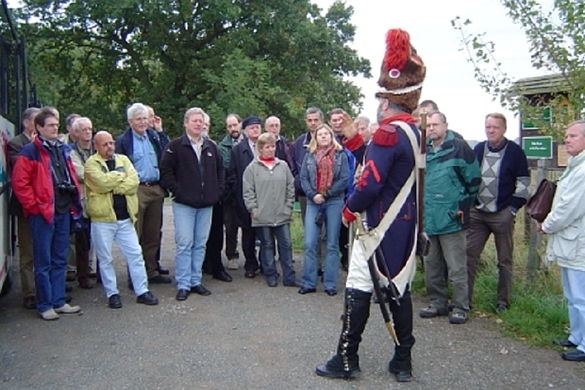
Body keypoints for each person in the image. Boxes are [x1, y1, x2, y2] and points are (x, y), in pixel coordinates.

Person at [316, 28, 425, 382]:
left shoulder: (387, 132)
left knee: (359, 286)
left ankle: (346, 358)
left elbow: (371, 182)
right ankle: (403, 361)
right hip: (405, 225)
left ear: (385, 100)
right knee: (400, 290)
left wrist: (349, 210)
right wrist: (354, 140)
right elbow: (387, 167)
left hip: (377, 226)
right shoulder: (413, 131)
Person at [12, 107, 83, 320]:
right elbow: (20, 184)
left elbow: (69, 174)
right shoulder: (29, 152)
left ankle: (58, 300)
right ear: (39, 127)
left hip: (61, 209)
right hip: (42, 213)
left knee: (59, 257)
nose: (55, 128)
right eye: (50, 125)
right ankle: (45, 305)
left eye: (56, 125)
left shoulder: (61, 149)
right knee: (42, 260)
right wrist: (34, 207)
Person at [84, 131, 159, 308]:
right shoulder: (90, 164)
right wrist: (120, 177)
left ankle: (142, 291)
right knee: (106, 258)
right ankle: (112, 293)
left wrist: (115, 184)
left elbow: (133, 182)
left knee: (135, 254)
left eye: (111, 143)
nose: (110, 147)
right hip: (103, 220)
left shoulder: (123, 160)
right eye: (105, 144)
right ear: (96, 146)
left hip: (125, 219)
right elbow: (100, 183)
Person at [419, 111, 480, 324]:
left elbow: (474, 181)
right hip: (428, 216)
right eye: (430, 125)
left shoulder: (460, 148)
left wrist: (463, 204)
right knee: (431, 263)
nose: (432, 128)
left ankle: (461, 306)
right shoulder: (422, 149)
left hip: (452, 217)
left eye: (436, 124)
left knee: (456, 266)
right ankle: (437, 303)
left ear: (446, 126)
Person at [466, 113, 530, 314]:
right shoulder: (478, 149)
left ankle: (503, 301)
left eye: (495, 127)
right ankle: (464, 300)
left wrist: (512, 209)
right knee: (468, 256)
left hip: (501, 213)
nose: (490, 130)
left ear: (504, 129)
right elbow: (470, 176)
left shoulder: (515, 152)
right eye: (487, 127)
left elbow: (524, 184)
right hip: (478, 213)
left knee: (504, 260)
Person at [160, 107, 224, 301]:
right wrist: (178, 191)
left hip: (206, 204)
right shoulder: (175, 146)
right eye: (195, 121)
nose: (198, 124)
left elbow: (221, 170)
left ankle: (196, 280)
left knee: (200, 244)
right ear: (186, 123)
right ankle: (183, 283)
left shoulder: (211, 147)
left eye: (201, 121)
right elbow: (166, 170)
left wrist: (216, 191)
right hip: (184, 205)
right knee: (184, 243)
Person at [535, 121, 585, 361]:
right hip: (570, 241)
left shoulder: (583, 170)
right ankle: (576, 337)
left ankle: (584, 345)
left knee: (581, 295)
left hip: (579, 243)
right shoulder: (575, 166)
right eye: (566, 135)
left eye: (573, 135)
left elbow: (568, 208)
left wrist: (547, 224)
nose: (568, 139)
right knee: (572, 294)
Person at [115, 103, 171, 285]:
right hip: (136, 190)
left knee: (153, 233)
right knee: (136, 234)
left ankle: (151, 271)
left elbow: (168, 152)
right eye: (138, 119)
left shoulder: (154, 137)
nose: (142, 122)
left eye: (145, 118)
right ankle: (136, 276)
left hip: (156, 187)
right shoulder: (123, 141)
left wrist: (161, 131)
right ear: (130, 121)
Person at [299, 124, 348, 296]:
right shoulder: (309, 155)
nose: (324, 136)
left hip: (334, 200)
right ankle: (308, 282)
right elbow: (303, 177)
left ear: (331, 136)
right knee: (310, 242)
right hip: (314, 201)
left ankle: (330, 284)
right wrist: (313, 195)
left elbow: (344, 179)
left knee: (332, 243)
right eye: (320, 134)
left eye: (327, 133)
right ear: (316, 137)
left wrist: (326, 195)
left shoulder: (340, 155)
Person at [243, 132, 297, 287]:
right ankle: (270, 274)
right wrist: (253, 208)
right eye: (267, 147)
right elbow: (248, 191)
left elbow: (290, 187)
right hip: (262, 215)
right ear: (260, 149)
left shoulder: (283, 166)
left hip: (282, 213)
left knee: (286, 245)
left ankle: (289, 276)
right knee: (267, 245)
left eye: (273, 146)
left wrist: (288, 206)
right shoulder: (252, 169)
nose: (271, 149)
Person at [8, 107, 40, 309]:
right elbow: (20, 169)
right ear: (27, 123)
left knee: (44, 250)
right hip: (26, 206)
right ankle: (29, 293)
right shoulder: (15, 144)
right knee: (27, 251)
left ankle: (47, 290)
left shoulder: (47, 141)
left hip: (46, 204)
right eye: (37, 120)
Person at [227, 116, 263, 279]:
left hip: (265, 197)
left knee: (265, 233)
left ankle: (266, 263)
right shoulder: (238, 149)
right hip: (244, 197)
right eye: (252, 128)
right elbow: (232, 173)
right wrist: (237, 193)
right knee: (248, 233)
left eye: (257, 127)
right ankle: (250, 264)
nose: (255, 130)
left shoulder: (267, 145)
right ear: (245, 131)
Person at [69, 117, 95, 289]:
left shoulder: (98, 147)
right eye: (84, 129)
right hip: (81, 202)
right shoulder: (70, 151)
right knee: (82, 242)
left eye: (90, 129)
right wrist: (99, 174)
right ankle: (82, 276)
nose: (87, 132)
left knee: (101, 240)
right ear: (76, 132)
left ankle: (101, 274)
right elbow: (78, 173)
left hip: (100, 201)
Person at [218, 114, 243, 270]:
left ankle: (252, 254)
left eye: (235, 125)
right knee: (230, 225)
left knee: (250, 225)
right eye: (229, 126)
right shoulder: (222, 147)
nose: (233, 129)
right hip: (229, 192)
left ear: (240, 124)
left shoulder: (251, 142)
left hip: (248, 189)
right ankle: (231, 254)